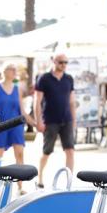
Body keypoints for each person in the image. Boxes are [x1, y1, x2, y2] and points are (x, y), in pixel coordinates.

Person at [0, 63, 33, 194]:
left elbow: (22, 110)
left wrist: (34, 123)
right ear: (4, 71)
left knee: (20, 154)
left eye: (15, 69)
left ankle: (21, 186)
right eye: (12, 69)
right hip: (0, 126)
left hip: (16, 125)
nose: (14, 71)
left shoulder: (18, 89)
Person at [35, 53, 76, 187]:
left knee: (70, 150)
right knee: (47, 151)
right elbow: (37, 101)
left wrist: (74, 120)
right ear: (54, 61)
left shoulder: (69, 79)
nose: (63, 65)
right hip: (50, 120)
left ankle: (68, 182)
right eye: (61, 62)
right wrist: (38, 121)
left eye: (65, 62)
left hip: (67, 119)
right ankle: (40, 178)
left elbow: (72, 101)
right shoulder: (44, 78)